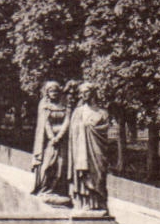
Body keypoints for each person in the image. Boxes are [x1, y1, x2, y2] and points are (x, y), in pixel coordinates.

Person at [69, 83, 111, 212]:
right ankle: (85, 202)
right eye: (81, 93)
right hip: (82, 151)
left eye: (86, 92)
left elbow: (105, 129)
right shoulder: (78, 112)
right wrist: (83, 126)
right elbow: (73, 132)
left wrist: (90, 127)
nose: (83, 95)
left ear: (93, 93)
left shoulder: (103, 113)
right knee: (85, 176)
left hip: (97, 149)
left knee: (99, 175)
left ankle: (99, 203)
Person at [31, 80, 70, 203]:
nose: (53, 93)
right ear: (47, 93)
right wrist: (52, 137)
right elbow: (45, 122)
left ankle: (57, 191)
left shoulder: (65, 105)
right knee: (47, 165)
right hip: (49, 142)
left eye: (56, 91)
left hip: (62, 141)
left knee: (61, 166)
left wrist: (59, 136)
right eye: (51, 91)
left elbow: (67, 121)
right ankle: (44, 189)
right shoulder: (44, 105)